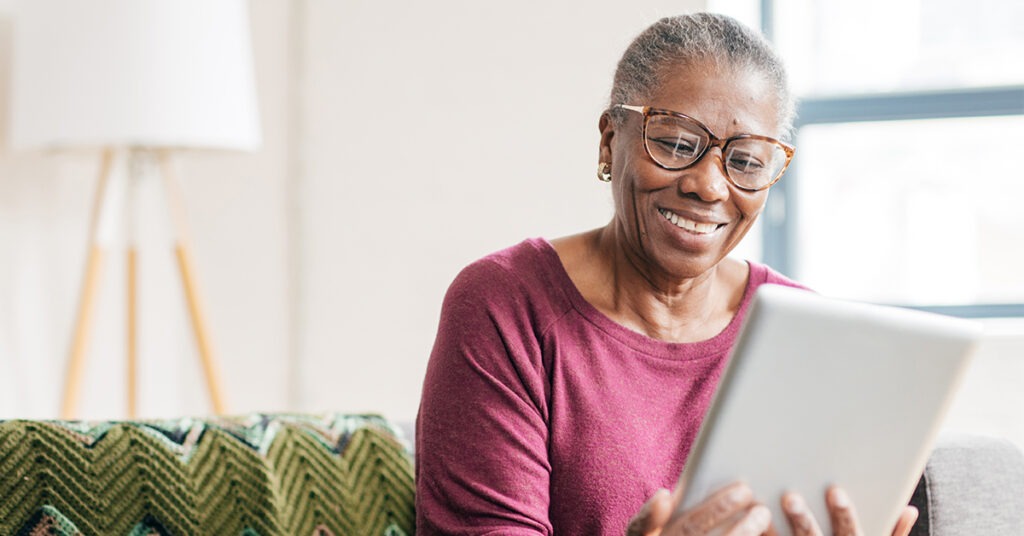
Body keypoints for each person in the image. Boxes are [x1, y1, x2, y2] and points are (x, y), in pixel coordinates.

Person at [416, 13, 919, 536]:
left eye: (746, 161)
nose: (709, 186)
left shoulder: (808, 331)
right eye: (677, 144)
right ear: (611, 140)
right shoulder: (506, 305)